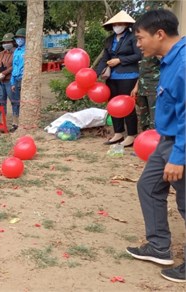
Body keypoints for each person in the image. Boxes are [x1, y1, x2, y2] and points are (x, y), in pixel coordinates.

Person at [127, 9, 185, 283]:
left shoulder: (184, 61)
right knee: (148, 186)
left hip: (180, 143)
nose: (138, 44)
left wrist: (179, 156)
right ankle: (159, 246)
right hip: (167, 140)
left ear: (159, 34)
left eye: (140, 38)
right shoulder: (168, 60)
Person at [97, 11, 143, 147]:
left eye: (120, 23)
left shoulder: (132, 38)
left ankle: (131, 135)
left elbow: (139, 55)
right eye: (115, 24)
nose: (118, 26)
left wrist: (120, 60)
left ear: (126, 24)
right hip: (112, 77)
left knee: (127, 106)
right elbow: (105, 58)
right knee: (113, 105)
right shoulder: (109, 40)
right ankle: (118, 133)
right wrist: (96, 73)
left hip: (128, 76)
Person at [131, 56, 160, 130]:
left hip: (154, 88)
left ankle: (154, 137)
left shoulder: (159, 50)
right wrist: (136, 87)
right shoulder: (145, 51)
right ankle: (145, 136)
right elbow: (142, 72)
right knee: (144, 118)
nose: (138, 44)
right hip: (142, 89)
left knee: (154, 117)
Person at [10, 28, 27, 132]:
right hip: (15, 79)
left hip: (24, 78)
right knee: (15, 102)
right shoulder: (16, 51)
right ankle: (15, 123)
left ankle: (23, 122)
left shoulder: (27, 50)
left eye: (21, 38)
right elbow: (14, 66)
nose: (19, 40)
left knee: (23, 102)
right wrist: (12, 82)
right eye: (17, 38)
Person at [0, 33, 15, 115]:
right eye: (4, 43)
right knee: (1, 101)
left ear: (13, 42)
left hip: (10, 80)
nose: (6, 44)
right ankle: (2, 120)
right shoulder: (0, 54)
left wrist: (4, 73)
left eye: (8, 42)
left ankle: (16, 119)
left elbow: (14, 66)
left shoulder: (16, 53)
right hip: (0, 81)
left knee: (14, 100)